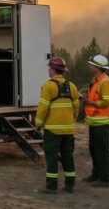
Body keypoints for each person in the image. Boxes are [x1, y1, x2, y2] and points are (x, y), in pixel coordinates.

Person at [34, 56, 79, 194]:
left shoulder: (48, 86)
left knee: (52, 158)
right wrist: (71, 121)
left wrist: (38, 123)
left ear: (53, 70)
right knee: (68, 157)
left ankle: (52, 187)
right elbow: (76, 108)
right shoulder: (72, 86)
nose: (49, 71)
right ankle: (70, 185)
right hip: (68, 130)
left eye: (49, 68)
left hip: (53, 130)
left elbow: (43, 108)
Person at [83, 54, 109, 187]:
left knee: (102, 151)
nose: (89, 66)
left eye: (91, 64)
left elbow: (107, 101)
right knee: (94, 149)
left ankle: (104, 179)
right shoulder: (96, 80)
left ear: (97, 67)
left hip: (102, 123)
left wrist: (90, 102)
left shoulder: (105, 82)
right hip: (95, 121)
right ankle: (96, 174)